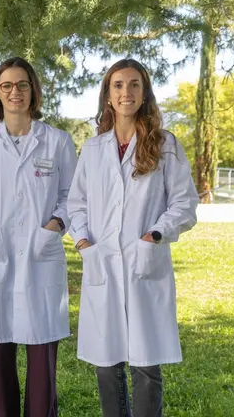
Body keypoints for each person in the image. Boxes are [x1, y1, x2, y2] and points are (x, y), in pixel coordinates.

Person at [67, 58, 199, 417]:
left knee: (146, 365)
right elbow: (75, 204)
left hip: (145, 263)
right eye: (118, 85)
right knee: (106, 364)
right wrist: (83, 242)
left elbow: (185, 204)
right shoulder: (93, 150)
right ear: (108, 96)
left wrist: (154, 234)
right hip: (104, 265)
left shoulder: (165, 144)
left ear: (144, 93)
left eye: (134, 84)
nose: (126, 92)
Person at [0, 57, 77, 417]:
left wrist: (54, 226)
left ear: (33, 90)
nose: (15, 92)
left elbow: (73, 195)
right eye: (6, 86)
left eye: (22, 85)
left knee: (42, 358)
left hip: (42, 255)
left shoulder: (57, 141)